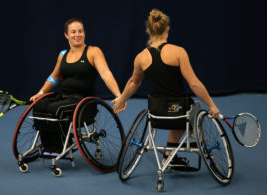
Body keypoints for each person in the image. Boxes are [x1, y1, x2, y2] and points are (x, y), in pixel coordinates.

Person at [112, 9, 220, 166]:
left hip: (156, 113)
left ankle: (169, 156)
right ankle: (200, 142)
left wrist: (122, 99)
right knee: (194, 110)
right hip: (179, 111)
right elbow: (194, 83)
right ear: (167, 29)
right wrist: (212, 105)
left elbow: (134, 83)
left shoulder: (141, 57)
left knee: (176, 114)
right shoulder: (178, 52)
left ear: (148, 31)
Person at [30, 18, 123, 153]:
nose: (77, 35)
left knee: (55, 109)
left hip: (83, 102)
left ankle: (61, 147)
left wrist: (118, 95)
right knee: (39, 105)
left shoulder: (93, 51)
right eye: (73, 32)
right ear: (66, 35)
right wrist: (40, 93)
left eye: (80, 31)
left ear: (84, 33)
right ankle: (49, 146)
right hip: (64, 97)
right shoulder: (63, 55)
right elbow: (54, 77)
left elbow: (105, 73)